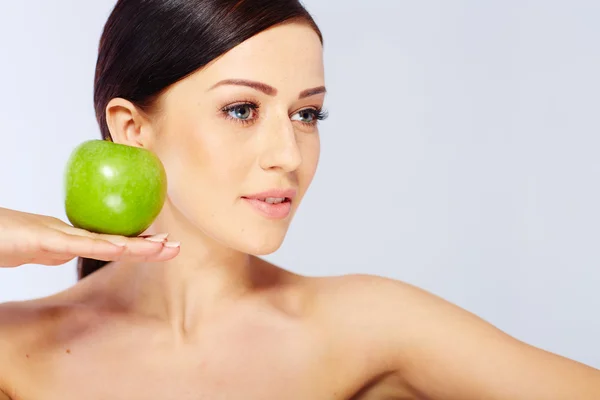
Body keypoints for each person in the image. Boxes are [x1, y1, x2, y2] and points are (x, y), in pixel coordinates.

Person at [1, 0, 599, 398]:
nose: (288, 154)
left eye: (306, 114)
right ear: (132, 129)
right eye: (242, 109)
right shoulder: (13, 350)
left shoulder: (369, 324)